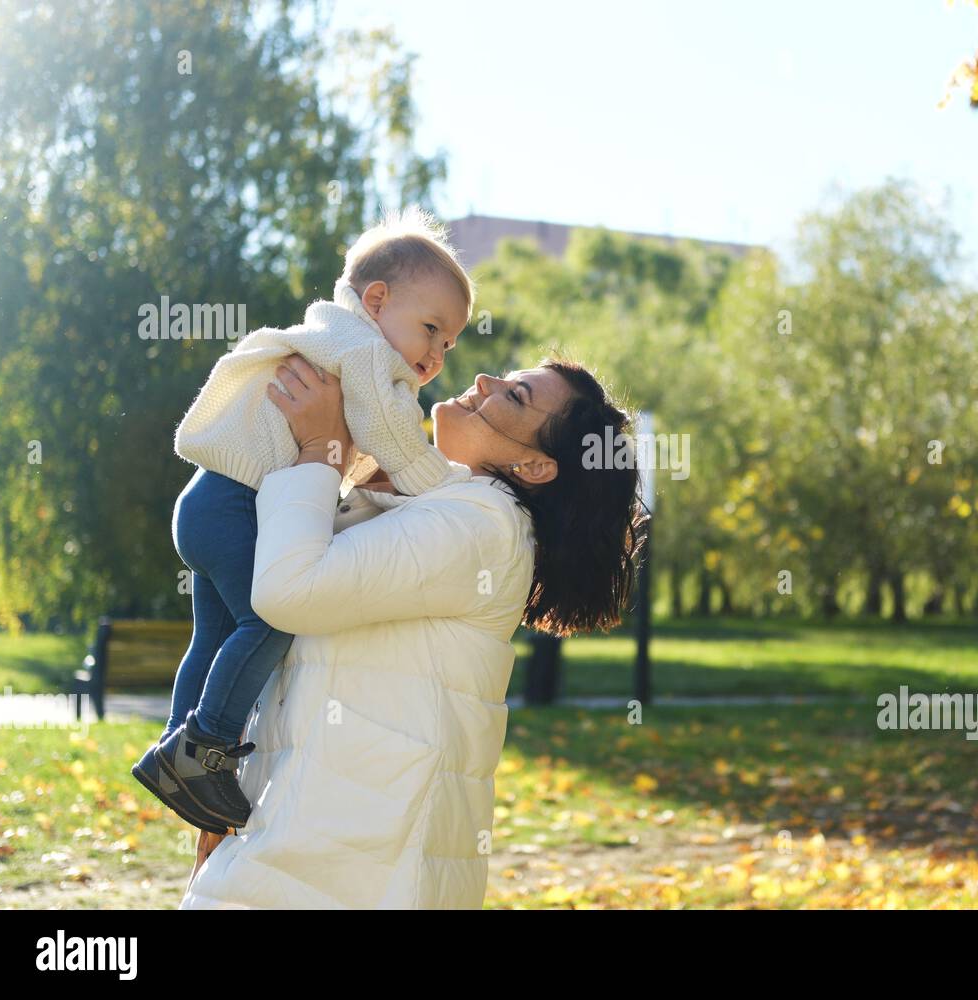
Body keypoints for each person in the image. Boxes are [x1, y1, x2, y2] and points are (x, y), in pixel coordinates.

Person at [179, 355, 647, 908]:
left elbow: (288, 590)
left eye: (516, 397)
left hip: (349, 864)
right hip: (314, 847)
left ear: (536, 466)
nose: (484, 381)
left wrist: (318, 452)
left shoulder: (482, 525)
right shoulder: (441, 510)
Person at [132, 208, 474, 834]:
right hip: (235, 504)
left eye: (449, 344)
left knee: (213, 636)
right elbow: (391, 438)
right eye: (431, 329)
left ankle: (177, 750)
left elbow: (353, 444)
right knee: (271, 619)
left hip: (210, 501)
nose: (437, 354)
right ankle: (202, 747)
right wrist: (447, 489)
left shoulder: (336, 339)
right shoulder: (366, 353)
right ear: (376, 300)